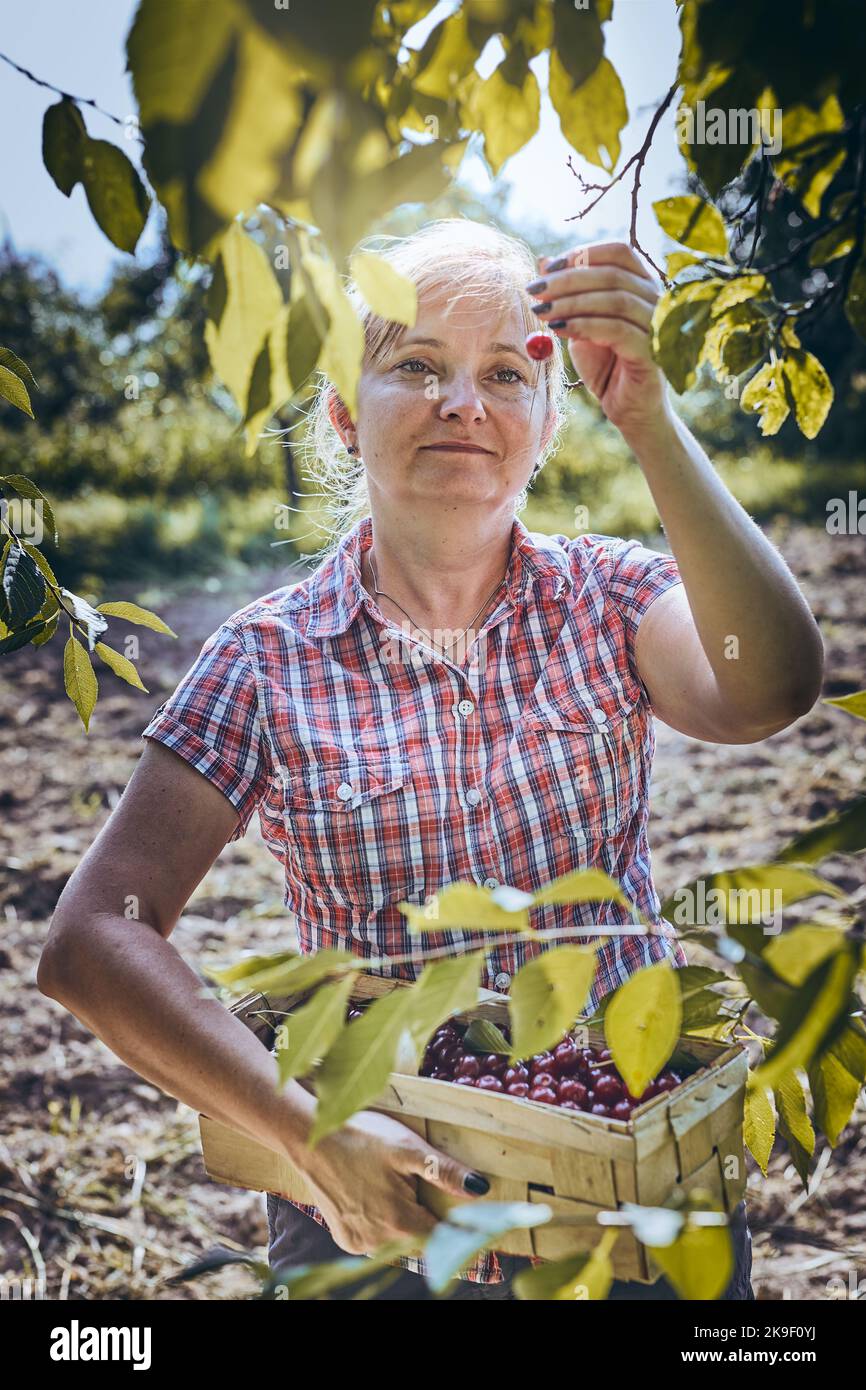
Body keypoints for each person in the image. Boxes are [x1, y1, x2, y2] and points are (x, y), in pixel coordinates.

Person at [37, 218, 823, 1300]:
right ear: (342, 412)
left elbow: (767, 686)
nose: (463, 401)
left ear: (545, 428)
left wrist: (647, 414)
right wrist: (310, 1136)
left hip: (620, 1169)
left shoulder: (610, 598)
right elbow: (90, 938)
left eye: (505, 373)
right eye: (415, 365)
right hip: (378, 1197)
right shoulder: (266, 659)